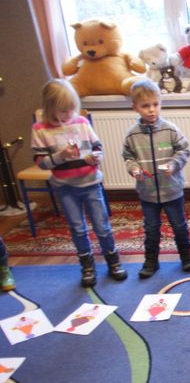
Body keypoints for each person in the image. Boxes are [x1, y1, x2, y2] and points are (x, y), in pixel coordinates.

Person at [31, 79, 127, 287]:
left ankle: (113, 261)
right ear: (50, 108)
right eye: (63, 110)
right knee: (77, 228)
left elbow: (97, 147)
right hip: (65, 187)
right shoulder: (40, 129)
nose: (69, 114)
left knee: (102, 226)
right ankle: (87, 266)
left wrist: (95, 157)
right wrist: (60, 156)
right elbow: (41, 163)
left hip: (91, 183)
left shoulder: (81, 122)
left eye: (72, 109)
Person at [122, 79, 190, 279]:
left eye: (156, 104)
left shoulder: (170, 129)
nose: (152, 110)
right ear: (135, 107)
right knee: (151, 229)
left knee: (179, 226)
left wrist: (174, 164)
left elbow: (184, 150)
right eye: (145, 106)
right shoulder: (132, 135)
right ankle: (151, 261)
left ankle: (186, 257)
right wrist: (134, 169)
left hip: (172, 189)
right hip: (147, 192)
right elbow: (128, 157)